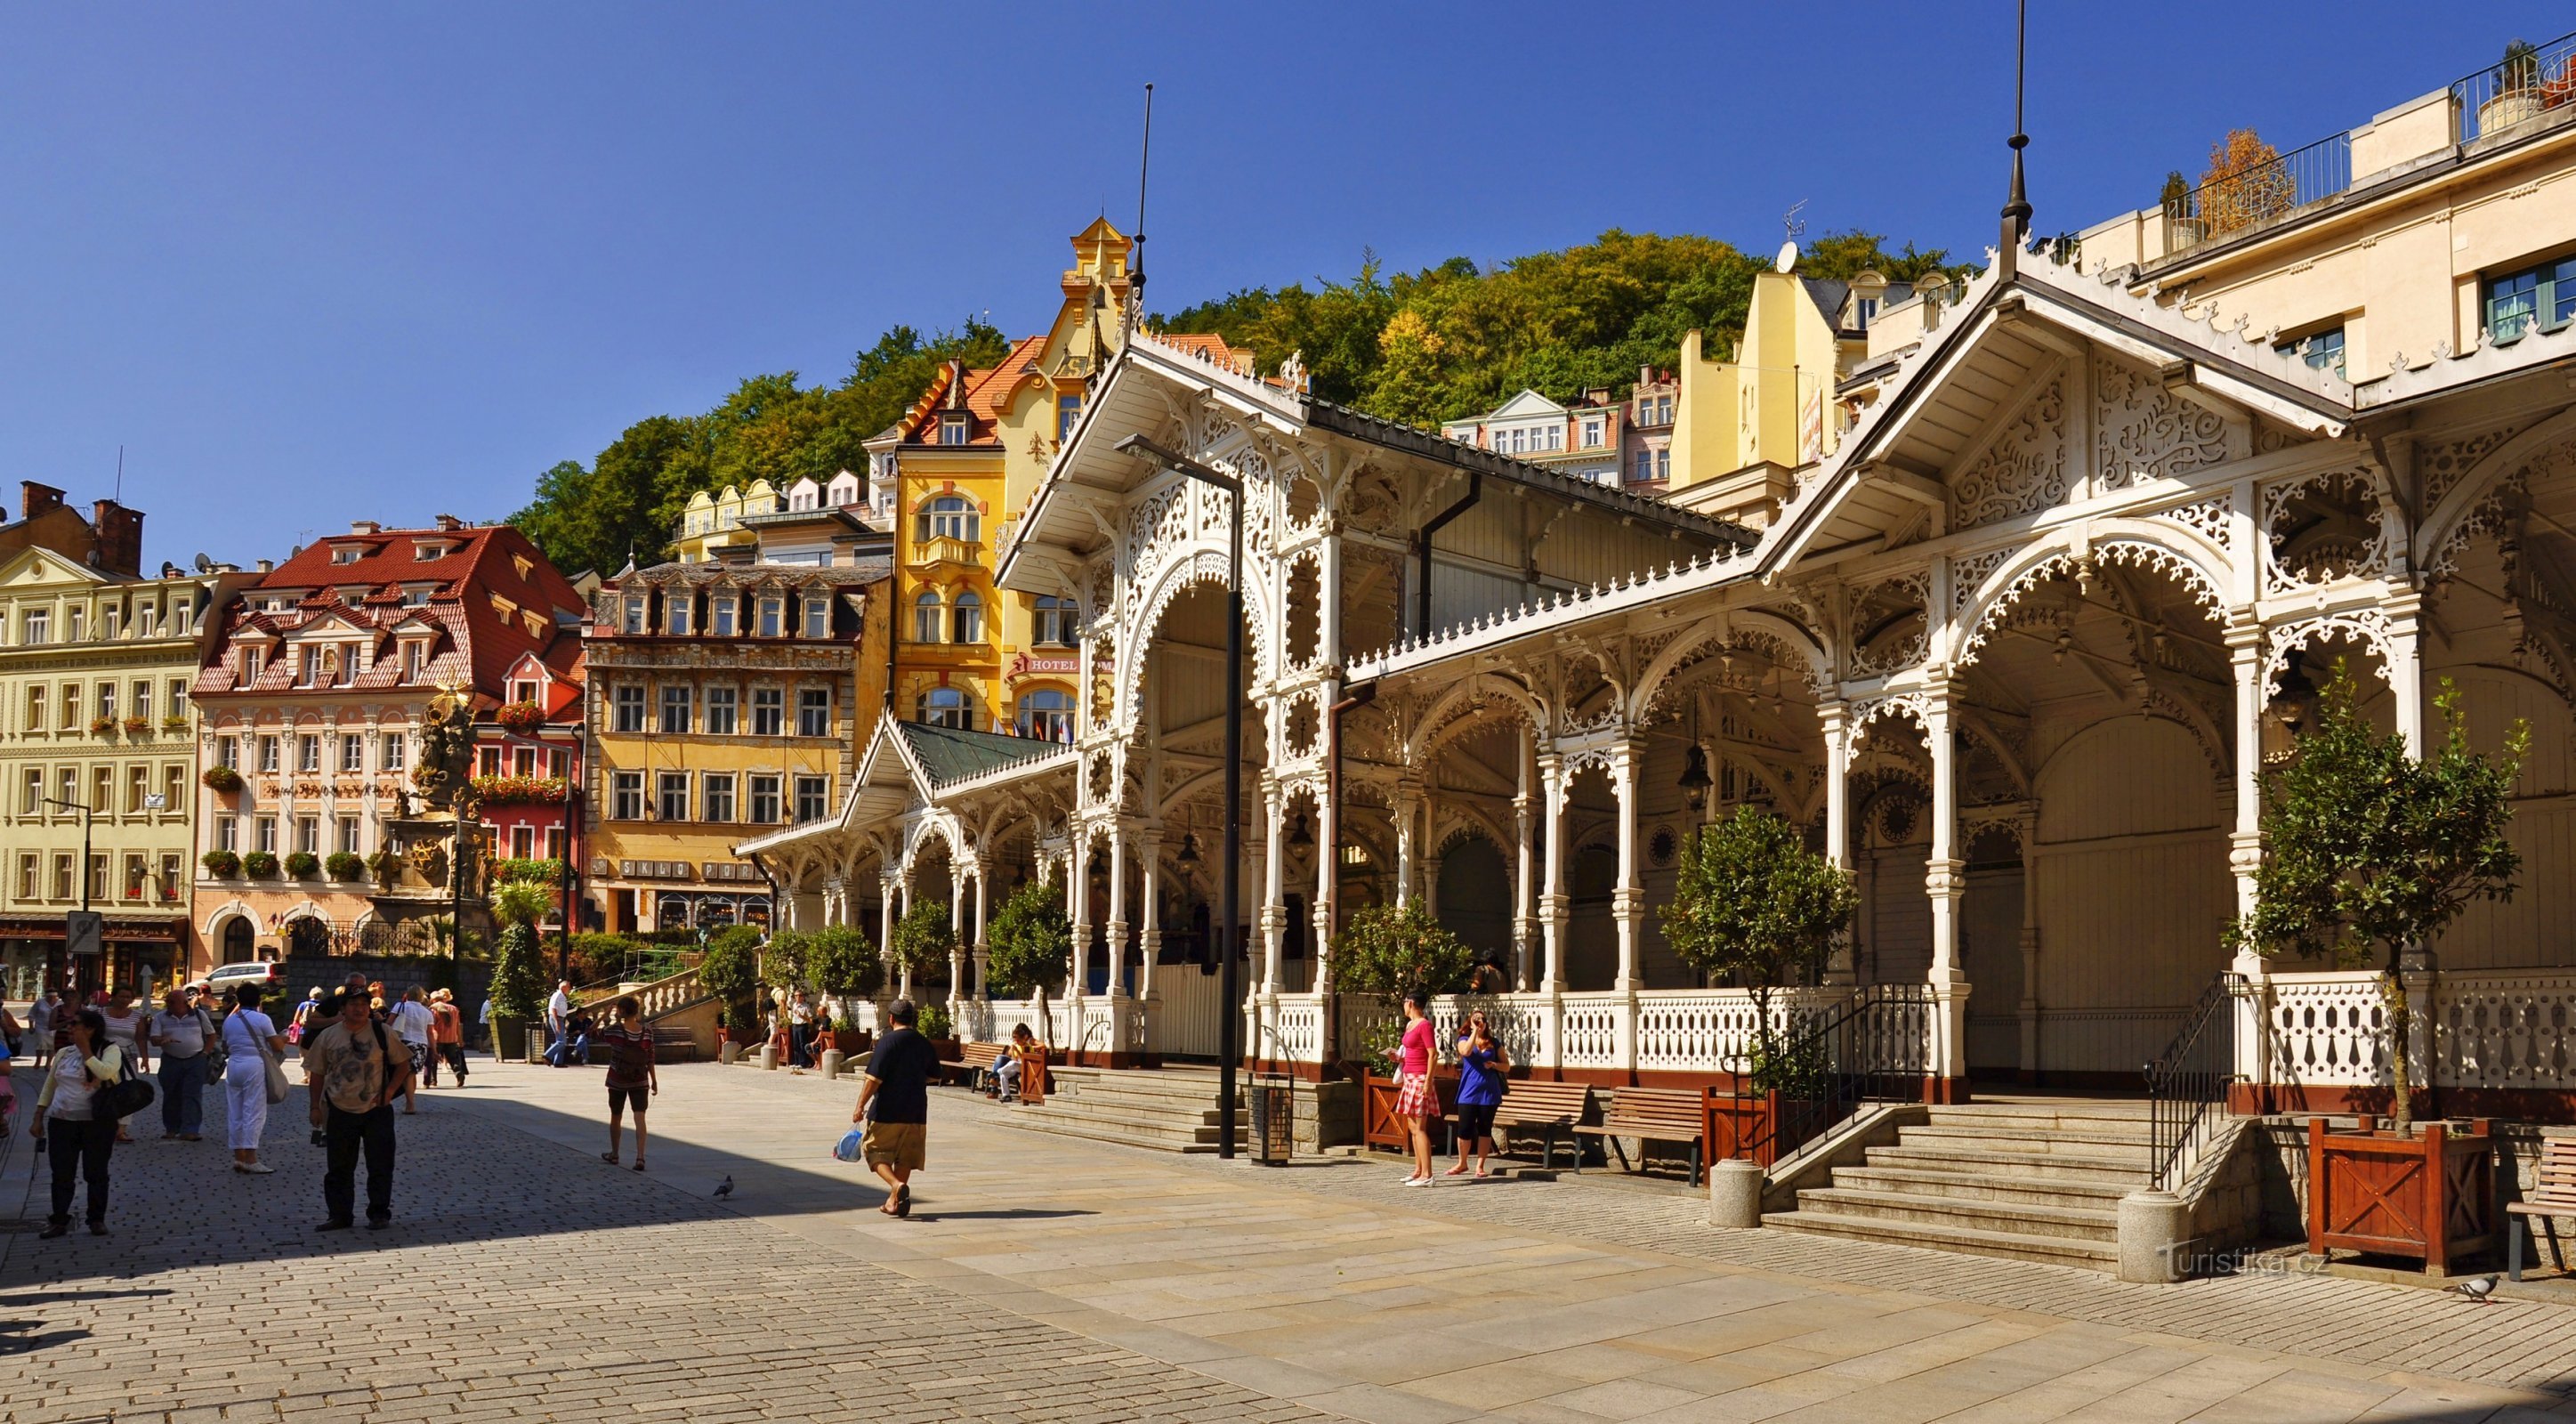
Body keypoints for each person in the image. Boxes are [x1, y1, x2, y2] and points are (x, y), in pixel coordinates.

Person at [303, 986, 408, 1231]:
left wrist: (390, 1092)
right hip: (339, 1108)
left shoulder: (382, 1032)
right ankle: (339, 1215)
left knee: (380, 1164)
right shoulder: (328, 1036)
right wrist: (314, 1107)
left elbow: (403, 1064)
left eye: (364, 1004)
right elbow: (317, 1073)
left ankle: (379, 1213)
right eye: (353, 1004)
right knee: (339, 1167)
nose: (359, 1008)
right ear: (342, 1009)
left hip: (376, 1109)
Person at [35, 1009, 125, 1237]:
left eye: (75, 1024)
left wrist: (86, 1050)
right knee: (62, 1173)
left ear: (90, 1029)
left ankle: (96, 1219)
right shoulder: (64, 1052)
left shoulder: (109, 1049)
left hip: (97, 1123)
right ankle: (59, 1220)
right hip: (62, 1121)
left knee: (96, 1172)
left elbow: (105, 1074)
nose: (69, 1028)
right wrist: (38, 1117)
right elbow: (50, 1085)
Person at [851, 999, 938, 1218]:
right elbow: (935, 1075)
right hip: (916, 1110)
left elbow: (873, 1079)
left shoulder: (887, 1043)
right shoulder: (923, 1043)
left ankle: (896, 1185)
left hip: (887, 1110)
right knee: (906, 1157)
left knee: (874, 1152)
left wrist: (860, 1105)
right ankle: (893, 1202)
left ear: (891, 1018)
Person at [222, 986, 285, 1175]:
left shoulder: (230, 1020)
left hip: (233, 1064)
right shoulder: (262, 1019)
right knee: (254, 1111)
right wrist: (284, 1036)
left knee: (236, 1112)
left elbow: (225, 1044)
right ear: (258, 1000)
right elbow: (277, 1045)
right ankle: (251, 1158)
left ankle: (238, 1156)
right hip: (254, 1064)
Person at [595, 995, 657, 1170]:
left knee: (616, 1116)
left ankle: (615, 1154)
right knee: (640, 1117)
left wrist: (603, 1015)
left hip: (617, 1079)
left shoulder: (614, 1030)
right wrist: (654, 1081)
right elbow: (650, 1058)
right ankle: (640, 1157)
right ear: (637, 1011)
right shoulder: (647, 1033)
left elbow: (591, 1033)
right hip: (640, 1079)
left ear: (621, 1011)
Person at [1447, 1010, 1510, 1178]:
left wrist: (1495, 1064)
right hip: (1468, 1091)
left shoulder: (1494, 1042)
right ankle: (1462, 1162)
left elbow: (1507, 1066)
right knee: (1465, 1128)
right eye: (1476, 1019)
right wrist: (1474, 1031)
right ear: (1470, 1022)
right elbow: (1466, 1052)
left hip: (1489, 1092)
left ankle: (1480, 1166)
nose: (1480, 1022)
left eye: (1482, 1019)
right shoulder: (1463, 1039)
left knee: (1485, 1128)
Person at [148, 990, 213, 1142]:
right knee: (171, 1094)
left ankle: (190, 1130)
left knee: (193, 1094)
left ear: (184, 1003)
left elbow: (211, 1035)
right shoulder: (160, 1017)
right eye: (167, 1001)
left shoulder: (199, 1015)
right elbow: (154, 1039)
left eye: (172, 1002)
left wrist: (205, 1053)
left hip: (195, 1059)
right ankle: (171, 1128)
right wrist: (162, 1040)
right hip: (171, 1060)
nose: (168, 1005)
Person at [1393, 992, 1438, 1186]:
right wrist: (1398, 1058)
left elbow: (1433, 1054)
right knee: (1412, 1127)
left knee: (1420, 1128)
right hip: (1409, 1077)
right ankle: (1418, 1170)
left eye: (1404, 1002)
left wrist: (1428, 1080)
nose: (1403, 1005)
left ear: (1410, 1003)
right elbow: (1413, 1051)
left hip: (1420, 1079)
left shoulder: (1424, 1025)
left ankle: (1428, 1175)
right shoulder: (1410, 1025)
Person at [97, 994, 149, 1145]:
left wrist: (145, 1058)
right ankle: (104, 1125)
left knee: (129, 1091)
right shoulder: (101, 1013)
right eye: (121, 995)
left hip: (127, 1057)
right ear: (113, 997)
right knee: (105, 1090)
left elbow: (140, 1038)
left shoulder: (137, 1017)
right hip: (105, 1055)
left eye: (127, 996)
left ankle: (121, 1129)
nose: (124, 999)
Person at [387, 988, 434, 1112]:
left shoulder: (400, 1006)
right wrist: (434, 1050)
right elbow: (430, 1033)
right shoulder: (427, 1012)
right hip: (421, 1045)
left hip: (403, 1042)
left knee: (406, 1074)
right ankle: (410, 1103)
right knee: (411, 1074)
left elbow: (388, 1023)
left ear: (407, 995)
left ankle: (410, 1105)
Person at [427, 990, 467, 1088]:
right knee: (453, 1059)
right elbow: (458, 1026)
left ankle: (433, 1081)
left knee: (433, 1060)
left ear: (433, 1000)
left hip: (438, 1039)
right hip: (452, 1038)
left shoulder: (433, 1010)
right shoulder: (454, 1009)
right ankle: (459, 1075)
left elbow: (431, 1025)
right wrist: (460, 1039)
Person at [27, 989, 57, 1069]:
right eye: (49, 997)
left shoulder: (60, 1003)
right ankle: (38, 1060)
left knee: (52, 1046)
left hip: (54, 1028)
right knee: (41, 1045)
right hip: (41, 1027)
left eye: (54, 997)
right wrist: (31, 1026)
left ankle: (48, 1064)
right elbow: (31, 1014)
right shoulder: (40, 1002)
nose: (51, 999)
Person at [787, 990, 816, 1072]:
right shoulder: (794, 1005)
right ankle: (797, 1062)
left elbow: (810, 1020)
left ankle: (803, 1063)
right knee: (795, 1045)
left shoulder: (806, 1006)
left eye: (799, 995)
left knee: (802, 1044)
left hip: (802, 1026)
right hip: (795, 1025)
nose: (797, 997)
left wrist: (801, 1016)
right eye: (796, 996)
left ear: (803, 997)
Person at [545, 981, 574, 1063]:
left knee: (560, 1041)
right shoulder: (558, 995)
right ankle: (547, 1055)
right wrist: (557, 1022)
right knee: (562, 1041)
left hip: (560, 1018)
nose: (570, 989)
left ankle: (558, 1062)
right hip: (556, 1018)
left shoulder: (562, 996)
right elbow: (553, 1008)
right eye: (568, 987)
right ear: (563, 987)